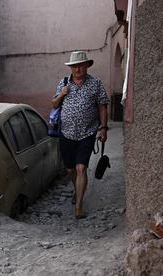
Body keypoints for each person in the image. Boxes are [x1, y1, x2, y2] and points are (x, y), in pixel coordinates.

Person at [52, 51, 110, 219]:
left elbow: (102, 106)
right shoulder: (63, 83)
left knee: (81, 167)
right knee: (70, 168)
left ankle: (78, 206)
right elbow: (54, 104)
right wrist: (62, 94)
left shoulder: (95, 83)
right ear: (71, 68)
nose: (77, 69)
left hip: (87, 132)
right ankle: (78, 189)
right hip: (66, 133)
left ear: (86, 66)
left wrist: (103, 128)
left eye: (81, 65)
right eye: (74, 66)